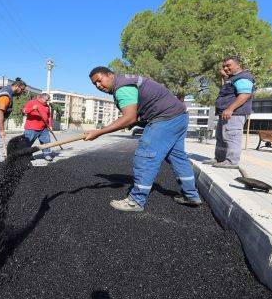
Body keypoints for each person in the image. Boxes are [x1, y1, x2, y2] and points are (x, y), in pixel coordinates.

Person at [84, 66, 202, 211]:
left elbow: (129, 117)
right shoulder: (125, 82)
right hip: (179, 116)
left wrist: (99, 132)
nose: (98, 86)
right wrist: (133, 122)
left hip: (164, 117)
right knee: (177, 157)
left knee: (145, 156)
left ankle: (136, 200)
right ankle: (191, 195)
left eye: (99, 80)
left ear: (110, 75)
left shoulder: (121, 88)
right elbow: (135, 115)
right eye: (94, 84)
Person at [203, 56, 254, 169]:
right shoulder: (233, 78)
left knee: (232, 136)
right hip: (226, 113)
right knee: (221, 137)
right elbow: (227, 91)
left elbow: (245, 95)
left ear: (237, 65)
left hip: (235, 113)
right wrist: (225, 78)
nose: (225, 68)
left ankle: (231, 161)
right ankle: (219, 158)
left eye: (228, 65)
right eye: (224, 66)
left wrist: (230, 109)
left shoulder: (243, 77)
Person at [23, 93, 53, 162]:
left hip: (44, 128)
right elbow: (24, 111)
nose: (47, 102)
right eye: (46, 100)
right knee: (28, 143)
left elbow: (48, 117)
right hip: (31, 128)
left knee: (46, 142)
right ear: (41, 98)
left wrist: (50, 125)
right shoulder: (31, 102)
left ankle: (47, 154)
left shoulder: (47, 106)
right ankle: (26, 156)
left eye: (48, 100)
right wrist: (32, 108)